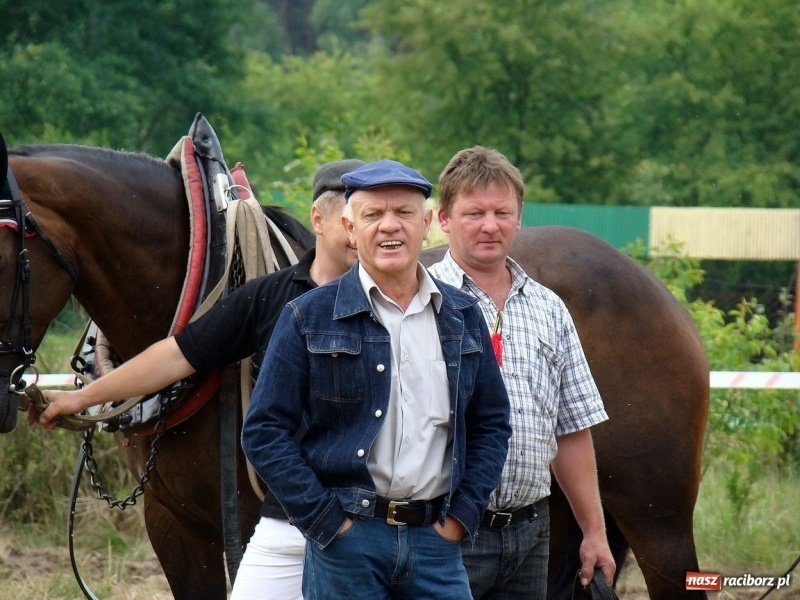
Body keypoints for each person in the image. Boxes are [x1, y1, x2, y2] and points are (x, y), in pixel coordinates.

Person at [31, 159, 366, 600]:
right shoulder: (269, 299)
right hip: (291, 520)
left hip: (373, 526)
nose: (367, 232)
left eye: (380, 218)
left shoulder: (410, 305)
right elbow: (176, 356)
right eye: (355, 218)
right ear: (319, 220)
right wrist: (82, 399)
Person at [241, 159, 512, 600]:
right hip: (348, 541)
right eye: (372, 215)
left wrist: (462, 515)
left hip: (436, 542)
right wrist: (326, 521)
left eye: (404, 213)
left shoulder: (463, 316)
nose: (390, 227)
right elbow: (264, 430)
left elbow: (492, 424)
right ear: (349, 226)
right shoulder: (308, 316)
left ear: (426, 224)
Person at [427, 146, 616, 599]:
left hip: (531, 534)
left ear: (518, 218)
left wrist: (594, 531)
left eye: (501, 212)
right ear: (444, 220)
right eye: (474, 213)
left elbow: (570, 429)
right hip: (446, 535)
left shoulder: (550, 308)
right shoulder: (420, 301)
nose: (490, 225)